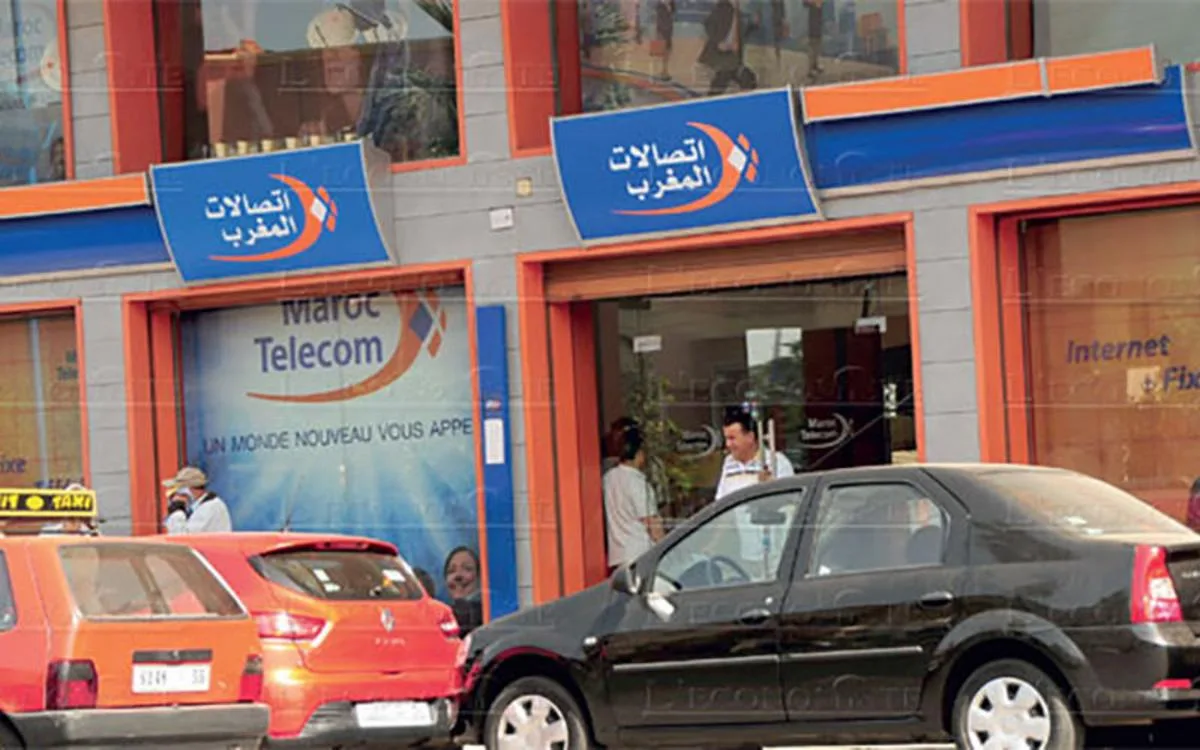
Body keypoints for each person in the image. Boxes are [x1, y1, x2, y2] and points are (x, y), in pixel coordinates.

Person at [716, 408, 795, 561]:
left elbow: (792, 502)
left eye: (732, 438)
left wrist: (770, 489)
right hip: (746, 552)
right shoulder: (729, 464)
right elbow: (721, 504)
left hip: (776, 552)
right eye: (726, 438)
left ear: (750, 437)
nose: (728, 444)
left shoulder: (777, 462)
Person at [603, 423, 665, 575]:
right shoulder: (637, 482)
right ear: (639, 454)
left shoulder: (608, 478)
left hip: (618, 555)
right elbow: (652, 523)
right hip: (640, 553)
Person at [162, 466, 233, 534]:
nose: (176, 494)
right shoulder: (197, 506)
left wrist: (177, 510)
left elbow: (182, 536)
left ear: (189, 489)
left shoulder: (209, 507)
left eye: (179, 489)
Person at [444, 546, 483, 634]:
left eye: (467, 569)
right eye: (451, 571)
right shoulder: (441, 617)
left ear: (479, 577)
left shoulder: (488, 614)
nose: (458, 576)